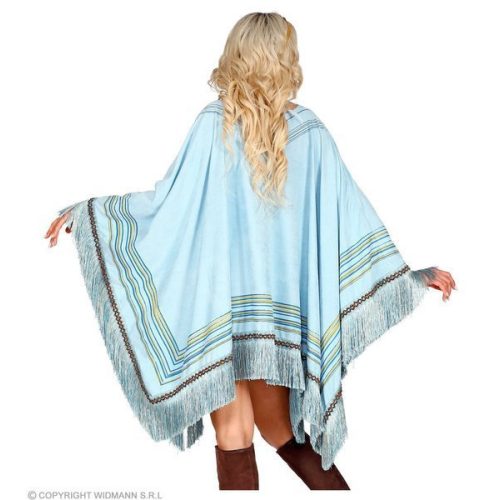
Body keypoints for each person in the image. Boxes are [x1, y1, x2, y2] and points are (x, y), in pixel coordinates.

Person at [44, 11, 455, 491]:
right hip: (274, 320)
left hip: (218, 311)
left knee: (234, 433)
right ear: (286, 59)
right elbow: (348, 216)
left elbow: (165, 207)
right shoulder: (308, 132)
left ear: (235, 55)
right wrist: (407, 276)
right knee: (278, 428)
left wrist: (94, 214)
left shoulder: (214, 125)